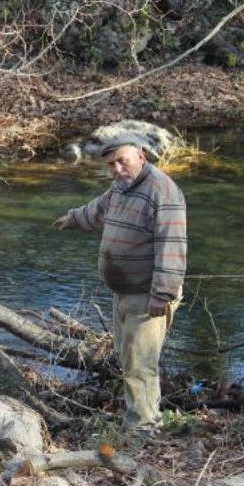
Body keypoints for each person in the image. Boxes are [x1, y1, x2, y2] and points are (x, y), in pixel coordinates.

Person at [53, 134, 187, 431]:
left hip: (149, 293)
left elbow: (173, 246)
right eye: (111, 165)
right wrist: (74, 218)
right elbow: (100, 209)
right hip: (125, 291)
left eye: (121, 161)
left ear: (141, 156)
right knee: (128, 358)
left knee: (140, 363)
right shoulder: (122, 187)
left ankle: (144, 428)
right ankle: (138, 417)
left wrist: (162, 294)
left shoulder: (162, 191)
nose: (116, 169)